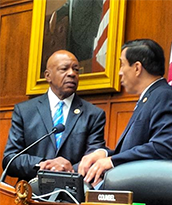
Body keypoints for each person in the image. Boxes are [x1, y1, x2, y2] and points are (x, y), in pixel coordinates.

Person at [78, 39, 172, 185]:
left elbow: (163, 148)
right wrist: (103, 154)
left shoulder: (165, 95)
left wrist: (112, 161)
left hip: (150, 193)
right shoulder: (150, 97)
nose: (119, 72)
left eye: (122, 64)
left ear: (137, 68)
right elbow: (134, 151)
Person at [2, 50, 106, 182]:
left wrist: (65, 170)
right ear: (48, 76)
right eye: (64, 69)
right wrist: (44, 165)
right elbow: (10, 159)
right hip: (29, 193)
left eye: (76, 70)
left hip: (73, 195)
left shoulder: (93, 114)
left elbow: (94, 157)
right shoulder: (25, 111)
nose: (72, 74)